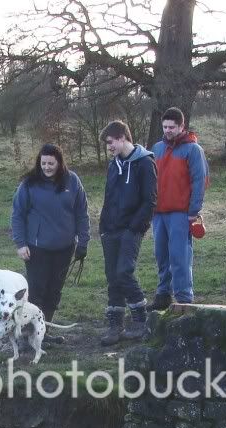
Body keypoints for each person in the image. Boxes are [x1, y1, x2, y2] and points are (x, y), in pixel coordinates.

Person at [11, 143, 90, 344]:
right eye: (43, 163)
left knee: (54, 291)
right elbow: (18, 215)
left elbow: (82, 213)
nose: (47, 167)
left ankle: (43, 332)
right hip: (37, 248)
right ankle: (28, 334)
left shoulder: (72, 181)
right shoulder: (29, 184)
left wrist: (83, 241)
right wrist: (20, 243)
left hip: (65, 248)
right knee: (37, 291)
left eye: (51, 163)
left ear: (59, 163)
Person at [98, 120, 157, 345]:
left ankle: (141, 321)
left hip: (131, 229)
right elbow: (109, 197)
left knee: (124, 272)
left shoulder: (145, 163)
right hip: (110, 230)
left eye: (111, 142)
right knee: (112, 277)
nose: (109, 147)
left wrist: (135, 226)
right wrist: (103, 227)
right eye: (107, 144)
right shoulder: (114, 165)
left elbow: (150, 200)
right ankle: (115, 325)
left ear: (123, 138)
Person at [149, 107, 209, 310]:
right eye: (165, 127)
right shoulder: (157, 148)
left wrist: (194, 211)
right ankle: (163, 295)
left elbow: (200, 181)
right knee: (161, 255)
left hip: (181, 213)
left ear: (181, 126)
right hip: (158, 213)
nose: (167, 130)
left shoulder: (192, 150)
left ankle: (184, 298)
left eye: (171, 127)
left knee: (179, 256)